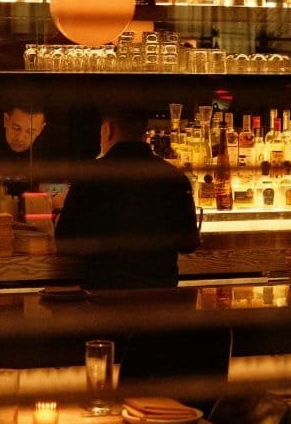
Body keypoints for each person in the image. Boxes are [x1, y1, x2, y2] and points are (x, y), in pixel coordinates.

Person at [55, 108, 199, 289]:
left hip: (104, 299)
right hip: (160, 300)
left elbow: (65, 241)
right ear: (143, 133)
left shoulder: (90, 177)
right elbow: (189, 243)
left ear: (108, 130)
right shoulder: (174, 178)